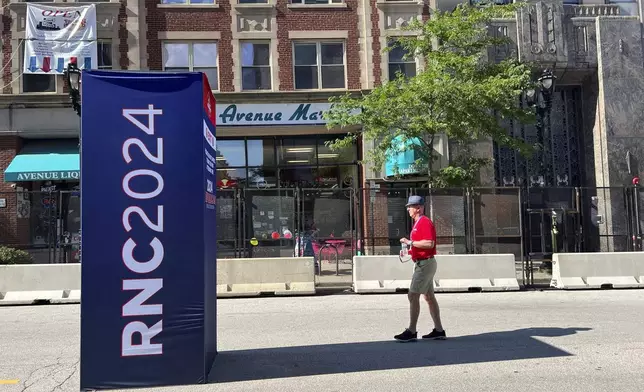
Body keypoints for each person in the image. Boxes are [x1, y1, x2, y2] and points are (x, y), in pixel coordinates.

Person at [394, 195, 446, 342]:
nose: (408, 209)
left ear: (418, 208)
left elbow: (429, 243)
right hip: (424, 262)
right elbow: (421, 244)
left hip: (425, 264)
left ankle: (411, 331)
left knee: (412, 295)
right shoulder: (418, 223)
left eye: (410, 207)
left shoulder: (424, 222)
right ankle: (439, 330)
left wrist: (410, 242)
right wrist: (410, 251)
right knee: (429, 297)